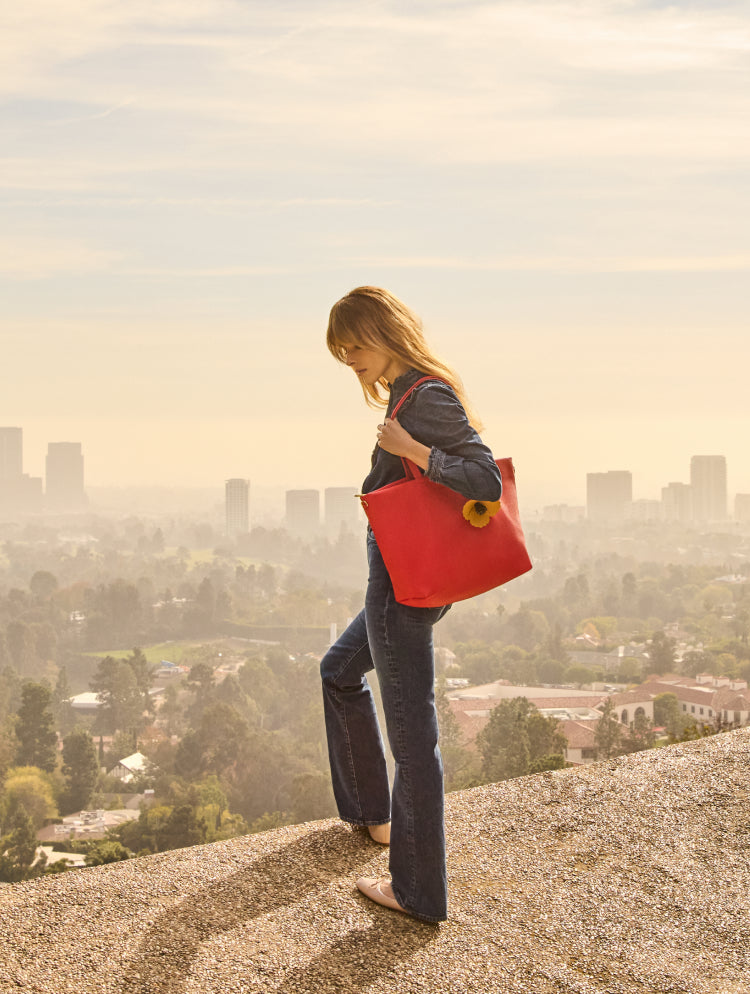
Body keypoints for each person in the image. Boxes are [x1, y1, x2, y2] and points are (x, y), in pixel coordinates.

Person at [320, 286, 502, 923]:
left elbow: (485, 479)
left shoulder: (425, 396)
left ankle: (418, 892)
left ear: (387, 333)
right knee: (338, 671)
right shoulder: (409, 394)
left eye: (355, 345)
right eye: (340, 352)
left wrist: (410, 450)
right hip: (397, 583)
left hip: (402, 591)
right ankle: (377, 818)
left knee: (413, 736)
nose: (349, 360)